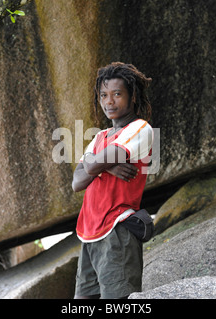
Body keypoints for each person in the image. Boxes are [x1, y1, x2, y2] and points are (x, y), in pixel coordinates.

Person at [72, 62, 153, 299]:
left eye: (117, 94)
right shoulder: (100, 137)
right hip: (89, 234)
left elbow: (91, 165)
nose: (109, 102)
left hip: (117, 232)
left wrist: (98, 166)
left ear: (133, 97)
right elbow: (76, 182)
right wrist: (110, 166)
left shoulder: (139, 128)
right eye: (104, 95)